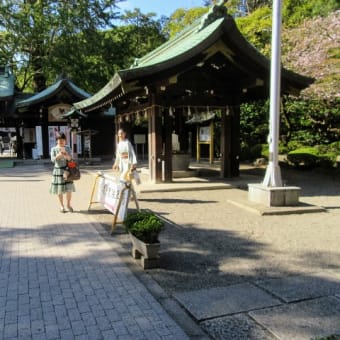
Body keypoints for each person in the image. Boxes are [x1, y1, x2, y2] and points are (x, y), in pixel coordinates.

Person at [49, 133, 75, 213]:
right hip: (58, 171)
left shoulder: (68, 148)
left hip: (67, 171)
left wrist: (67, 155)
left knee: (69, 189)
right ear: (56, 140)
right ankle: (61, 206)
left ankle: (68, 205)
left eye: (63, 139)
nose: (61, 141)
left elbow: (71, 160)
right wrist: (59, 155)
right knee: (59, 190)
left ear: (65, 140)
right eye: (59, 139)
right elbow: (53, 160)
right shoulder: (53, 149)